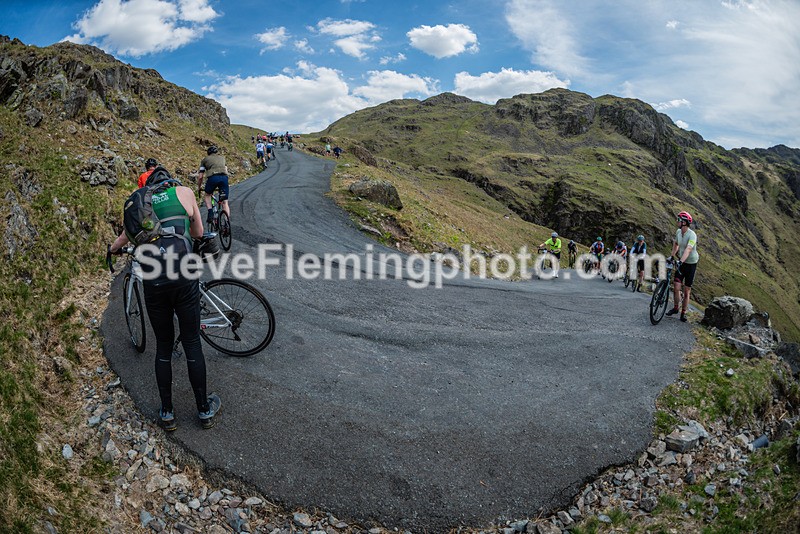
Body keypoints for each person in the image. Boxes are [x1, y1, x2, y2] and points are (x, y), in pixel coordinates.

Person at [109, 171, 221, 430]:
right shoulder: (183, 192)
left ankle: (167, 413)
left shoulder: (139, 206)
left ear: (148, 188)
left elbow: (123, 239)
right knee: (192, 342)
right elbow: (198, 232)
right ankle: (204, 410)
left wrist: (112, 250)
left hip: (153, 281)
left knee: (163, 346)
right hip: (183, 276)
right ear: (170, 181)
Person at [667, 211, 699, 322]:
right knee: (676, 287)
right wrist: (672, 256)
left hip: (691, 264)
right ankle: (676, 308)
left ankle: (683, 312)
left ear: (684, 222)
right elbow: (676, 244)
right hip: (682, 262)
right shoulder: (678, 232)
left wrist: (680, 261)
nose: (677, 221)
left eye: (679, 220)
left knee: (686, 291)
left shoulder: (692, 235)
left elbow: (688, 249)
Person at [197, 146, 230, 226]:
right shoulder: (222, 158)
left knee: (207, 195)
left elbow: (200, 176)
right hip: (224, 178)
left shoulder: (205, 160)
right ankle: (227, 223)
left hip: (213, 178)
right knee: (225, 202)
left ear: (208, 153)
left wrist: (199, 187)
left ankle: (210, 212)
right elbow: (226, 170)